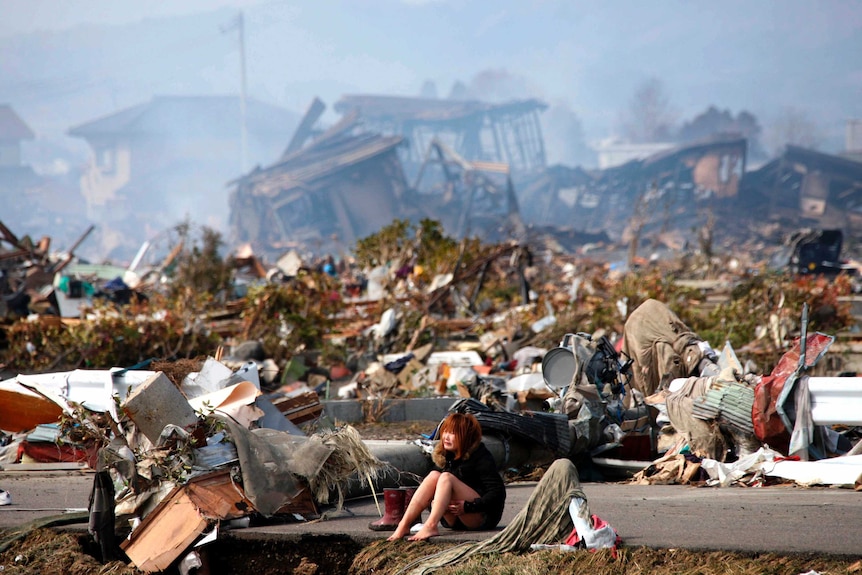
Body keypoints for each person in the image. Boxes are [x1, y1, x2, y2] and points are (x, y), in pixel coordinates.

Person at [388, 412, 506, 541]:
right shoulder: (446, 456)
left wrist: (468, 506)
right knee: (434, 475)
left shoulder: (481, 456)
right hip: (453, 520)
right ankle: (404, 525)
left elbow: (497, 492)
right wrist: (433, 504)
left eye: (453, 433)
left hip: (479, 517)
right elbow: (431, 494)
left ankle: (431, 525)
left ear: (466, 436)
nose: (446, 437)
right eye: (445, 432)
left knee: (446, 477)